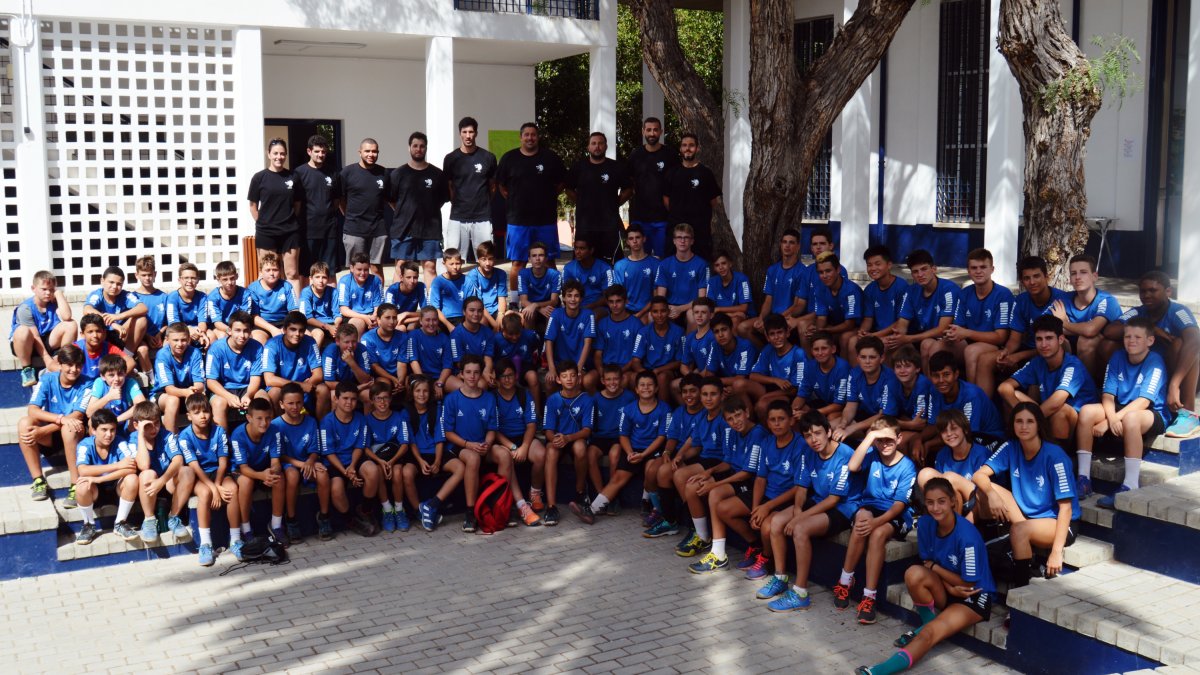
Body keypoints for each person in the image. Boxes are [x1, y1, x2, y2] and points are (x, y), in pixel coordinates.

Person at [854, 477, 996, 675]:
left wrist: (936, 569)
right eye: (930, 502)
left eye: (941, 501)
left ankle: (876, 671)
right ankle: (929, 626)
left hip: (972, 595)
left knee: (929, 633)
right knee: (912, 574)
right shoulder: (926, 524)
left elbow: (968, 582)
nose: (936, 508)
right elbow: (926, 563)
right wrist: (945, 584)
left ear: (953, 501)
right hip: (949, 586)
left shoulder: (968, 536)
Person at [974, 402, 1079, 587]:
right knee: (983, 488)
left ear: (1039, 424)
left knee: (1018, 530)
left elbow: (1066, 509)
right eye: (1019, 421)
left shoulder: (1055, 456)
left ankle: (1021, 589)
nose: (1024, 426)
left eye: (1030, 421)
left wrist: (1056, 552)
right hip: (1027, 516)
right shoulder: (1011, 447)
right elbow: (979, 475)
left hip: (1058, 522)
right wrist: (991, 494)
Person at [762, 411, 857, 612]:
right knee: (777, 521)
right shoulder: (808, 452)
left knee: (800, 529)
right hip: (818, 500)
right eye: (807, 435)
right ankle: (780, 578)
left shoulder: (845, 454)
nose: (813, 440)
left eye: (817, 433)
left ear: (829, 432)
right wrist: (797, 510)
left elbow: (834, 499)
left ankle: (800, 593)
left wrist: (800, 519)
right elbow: (802, 488)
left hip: (842, 507)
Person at [1076, 317, 1171, 505]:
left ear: (1150, 341)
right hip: (1121, 408)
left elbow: (1144, 401)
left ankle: (1130, 485)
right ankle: (1083, 478)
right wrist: (1111, 418)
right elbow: (1108, 395)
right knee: (1086, 412)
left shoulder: (1155, 361)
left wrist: (1111, 420)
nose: (1132, 340)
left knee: (1132, 419)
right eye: (1128, 336)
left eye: (1137, 337)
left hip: (1151, 412)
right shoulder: (1118, 356)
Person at [834, 417, 917, 624]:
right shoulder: (873, 455)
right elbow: (853, 466)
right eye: (880, 440)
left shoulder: (907, 466)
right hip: (871, 506)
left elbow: (899, 505)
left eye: (889, 439)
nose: (884, 444)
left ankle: (868, 597)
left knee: (878, 534)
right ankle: (845, 581)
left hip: (896, 513)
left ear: (899, 439)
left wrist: (876, 524)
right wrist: (870, 436)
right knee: (862, 518)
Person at [682, 396, 769, 573]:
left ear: (747, 412)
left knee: (714, 494)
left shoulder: (758, 433)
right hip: (735, 475)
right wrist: (709, 472)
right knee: (694, 485)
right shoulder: (731, 432)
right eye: (730, 418)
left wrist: (713, 485)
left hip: (749, 482)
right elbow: (728, 461)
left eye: (738, 415)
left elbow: (747, 473)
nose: (735, 421)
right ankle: (703, 537)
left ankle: (718, 554)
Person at [1109, 270, 1200, 434]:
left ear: (1168, 291)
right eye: (1143, 291)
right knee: (1108, 345)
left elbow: (1195, 341)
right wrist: (1153, 329)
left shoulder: (1178, 311)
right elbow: (1109, 331)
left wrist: (1174, 384)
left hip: (1178, 373)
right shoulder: (1139, 312)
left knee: (1182, 344)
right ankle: (1114, 396)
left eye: (1152, 290)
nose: (1147, 295)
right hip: (1150, 373)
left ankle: (1188, 413)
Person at [976, 255, 1072, 397]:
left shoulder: (1062, 299)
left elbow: (1058, 344)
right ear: (1022, 281)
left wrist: (1018, 356)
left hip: (1050, 354)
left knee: (1044, 358)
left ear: (1047, 276)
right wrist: (1006, 352)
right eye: (1027, 278)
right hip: (1027, 352)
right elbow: (1015, 340)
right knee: (986, 359)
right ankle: (982, 412)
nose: (1032, 282)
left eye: (1036, 276)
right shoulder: (1021, 300)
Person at [580, 370, 670, 521]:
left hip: (653, 450)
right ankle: (592, 510)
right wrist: (629, 452)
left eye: (650, 385)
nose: (646, 388)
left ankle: (647, 504)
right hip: (634, 449)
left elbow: (662, 437)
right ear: (636, 389)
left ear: (656, 388)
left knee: (650, 470)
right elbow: (623, 435)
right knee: (617, 478)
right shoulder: (629, 409)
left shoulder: (664, 408)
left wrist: (644, 454)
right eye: (642, 385)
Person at [736, 400, 808, 583]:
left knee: (768, 526)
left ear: (791, 421)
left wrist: (766, 506)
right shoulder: (767, 442)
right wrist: (755, 508)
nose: (777, 423)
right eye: (772, 420)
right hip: (769, 495)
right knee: (724, 508)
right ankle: (756, 547)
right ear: (767, 423)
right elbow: (760, 478)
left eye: (781, 419)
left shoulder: (800, 445)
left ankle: (766, 559)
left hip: (788, 497)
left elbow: (798, 487)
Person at [998, 315, 1098, 441]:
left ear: (1060, 339)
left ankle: (1057, 454)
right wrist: (1023, 416)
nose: (1044, 344)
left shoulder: (1073, 365)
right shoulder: (1037, 362)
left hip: (1077, 427)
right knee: (1013, 395)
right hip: (1044, 417)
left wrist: (1030, 421)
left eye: (1049, 338)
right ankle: (1015, 442)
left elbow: (1056, 402)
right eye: (1039, 339)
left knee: (1060, 410)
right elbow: (1004, 387)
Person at [495, 122, 566, 293]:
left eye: (533, 134)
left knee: (548, 261)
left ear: (538, 137)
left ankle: (554, 298)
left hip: (545, 221)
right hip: (518, 222)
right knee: (518, 263)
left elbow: (562, 183)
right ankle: (514, 302)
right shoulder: (509, 158)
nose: (530, 138)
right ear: (520, 137)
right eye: (526, 135)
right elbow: (501, 186)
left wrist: (547, 196)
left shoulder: (551, 158)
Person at [440, 355, 504, 533]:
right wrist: (469, 445)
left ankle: (502, 507)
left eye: (476, 373)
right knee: (473, 458)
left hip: (482, 444)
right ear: (461, 374)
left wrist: (487, 443)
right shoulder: (452, 399)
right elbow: (448, 432)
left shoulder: (489, 398)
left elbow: (492, 428)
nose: (472, 376)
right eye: (468, 372)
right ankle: (471, 512)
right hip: (460, 446)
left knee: (504, 455)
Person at [20, 345, 88, 504]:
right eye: (69, 365)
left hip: (74, 434)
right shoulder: (47, 379)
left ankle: (74, 485)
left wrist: (42, 431)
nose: (74, 369)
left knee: (70, 427)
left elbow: (77, 415)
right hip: (53, 433)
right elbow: (32, 410)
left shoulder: (88, 384)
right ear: (60, 365)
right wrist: (60, 419)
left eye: (78, 365)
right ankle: (38, 481)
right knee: (24, 423)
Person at [178, 394, 241, 564]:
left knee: (233, 489)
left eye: (206, 411)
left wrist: (219, 484)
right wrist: (213, 488)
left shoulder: (219, 431)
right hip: (199, 476)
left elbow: (222, 462)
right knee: (205, 494)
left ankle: (236, 540)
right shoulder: (185, 436)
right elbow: (194, 467)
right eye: (197, 412)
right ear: (189, 416)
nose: (203, 416)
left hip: (218, 473)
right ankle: (206, 544)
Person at [943, 248, 1013, 384]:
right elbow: (958, 328)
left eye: (983, 267)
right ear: (968, 271)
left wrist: (967, 333)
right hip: (968, 343)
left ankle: (973, 400)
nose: (978, 271)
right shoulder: (965, 293)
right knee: (933, 346)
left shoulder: (1003, 295)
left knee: (971, 350)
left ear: (992, 269)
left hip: (994, 347)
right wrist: (951, 334)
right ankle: (935, 398)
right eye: (974, 268)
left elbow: (1000, 337)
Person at [321, 381, 382, 537]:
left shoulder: (361, 419)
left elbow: (359, 447)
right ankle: (350, 520)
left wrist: (353, 466)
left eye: (353, 399)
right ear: (336, 399)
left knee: (373, 471)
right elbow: (329, 453)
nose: (349, 402)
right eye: (345, 398)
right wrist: (345, 471)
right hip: (335, 462)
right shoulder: (327, 422)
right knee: (336, 489)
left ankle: (365, 510)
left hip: (354, 459)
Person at [390, 131, 450, 288]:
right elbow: (391, 199)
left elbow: (442, 199)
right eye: (415, 146)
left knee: (429, 267)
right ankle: (395, 304)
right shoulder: (398, 173)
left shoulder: (437, 174)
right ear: (409, 148)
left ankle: (432, 305)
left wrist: (427, 210)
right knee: (401, 266)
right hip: (403, 228)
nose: (418, 149)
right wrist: (405, 211)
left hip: (429, 229)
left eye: (422, 146)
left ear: (426, 148)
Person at [1051, 253, 1123, 384]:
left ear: (1094, 276)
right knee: (1056, 340)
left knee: (1087, 340)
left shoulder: (1107, 300)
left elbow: (1091, 330)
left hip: (1109, 363)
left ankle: (1087, 389)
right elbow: (1048, 327)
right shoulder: (1064, 300)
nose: (1078, 277)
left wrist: (1063, 323)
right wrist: (1078, 329)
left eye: (1083, 272)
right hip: (1073, 353)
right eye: (1073, 273)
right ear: (1070, 278)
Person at [71, 410, 139, 545]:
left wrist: (100, 478)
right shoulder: (85, 445)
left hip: (116, 488)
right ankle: (89, 524)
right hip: (94, 491)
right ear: (94, 430)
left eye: (112, 430)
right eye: (104, 430)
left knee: (132, 478)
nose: (109, 434)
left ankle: (120, 523)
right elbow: (83, 470)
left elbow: (131, 467)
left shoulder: (120, 442)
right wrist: (118, 465)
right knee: (82, 485)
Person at [270, 383, 327, 542]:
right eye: (290, 403)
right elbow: (279, 455)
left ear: (303, 403)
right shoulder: (275, 425)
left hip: (307, 462)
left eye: (298, 402)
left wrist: (310, 460)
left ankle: (324, 517)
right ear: (281, 404)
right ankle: (291, 520)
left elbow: (315, 449)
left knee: (322, 474)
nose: (295, 407)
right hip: (289, 464)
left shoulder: (310, 422)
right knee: (292, 475)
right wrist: (303, 464)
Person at [492, 358, 545, 527]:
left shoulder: (523, 394)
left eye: (510, 375)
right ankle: (519, 506)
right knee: (506, 457)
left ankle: (535, 493)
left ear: (516, 376)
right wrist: (513, 447)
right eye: (503, 376)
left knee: (541, 454)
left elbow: (531, 425)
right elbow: (493, 430)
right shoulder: (492, 398)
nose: (507, 380)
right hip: (502, 440)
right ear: (497, 379)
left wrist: (524, 447)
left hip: (523, 437)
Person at [923, 351, 1006, 459]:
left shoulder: (971, 395)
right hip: (956, 434)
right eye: (936, 376)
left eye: (946, 374)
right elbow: (932, 424)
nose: (941, 380)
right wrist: (918, 439)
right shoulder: (934, 390)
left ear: (956, 374)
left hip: (988, 439)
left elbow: (966, 434)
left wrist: (929, 444)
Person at [410, 376, 467, 532]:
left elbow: (440, 438)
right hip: (417, 455)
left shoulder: (436, 410)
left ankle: (432, 504)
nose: (422, 394)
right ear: (412, 393)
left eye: (425, 391)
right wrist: (420, 461)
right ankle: (419, 512)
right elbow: (410, 442)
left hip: (435, 452)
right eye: (418, 391)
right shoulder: (406, 413)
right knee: (406, 472)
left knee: (460, 468)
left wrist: (437, 461)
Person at [131, 402, 193, 544]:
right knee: (147, 473)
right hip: (147, 489)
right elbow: (143, 465)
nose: (154, 429)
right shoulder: (133, 439)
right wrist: (140, 435)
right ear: (137, 425)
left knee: (187, 471)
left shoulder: (167, 436)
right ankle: (149, 520)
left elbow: (178, 460)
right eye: (148, 425)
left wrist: (162, 480)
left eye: (157, 423)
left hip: (166, 482)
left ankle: (174, 517)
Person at [565, 131, 632, 262]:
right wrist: (580, 202)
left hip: (609, 226)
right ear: (588, 147)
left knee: (612, 263)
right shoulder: (579, 167)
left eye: (600, 143)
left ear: (606, 146)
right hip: (585, 226)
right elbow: (568, 189)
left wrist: (615, 203)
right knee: (583, 262)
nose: (597, 146)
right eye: (594, 143)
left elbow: (629, 189)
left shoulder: (616, 167)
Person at [886, 250, 956, 369]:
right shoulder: (911, 291)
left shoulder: (948, 289)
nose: (920, 275)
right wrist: (898, 338)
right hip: (919, 338)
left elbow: (942, 330)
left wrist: (908, 338)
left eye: (924, 269)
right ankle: (890, 385)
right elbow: (902, 323)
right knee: (888, 344)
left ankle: (926, 386)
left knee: (926, 344)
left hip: (947, 340)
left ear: (934, 269)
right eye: (915, 272)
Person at [544, 360, 595, 527]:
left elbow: (587, 430)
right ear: (558, 380)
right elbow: (548, 430)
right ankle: (551, 507)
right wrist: (555, 439)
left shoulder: (587, 399)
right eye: (565, 376)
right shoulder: (552, 400)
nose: (569, 379)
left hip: (575, 438)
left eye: (573, 375)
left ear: (579, 378)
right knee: (550, 451)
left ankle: (580, 493)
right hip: (558, 439)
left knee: (581, 448)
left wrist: (568, 438)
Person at [229, 398, 287, 542]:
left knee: (279, 478)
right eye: (259, 418)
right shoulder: (238, 435)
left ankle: (276, 525)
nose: (264, 423)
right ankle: (246, 529)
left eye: (268, 418)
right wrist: (261, 476)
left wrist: (272, 473)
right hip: (243, 472)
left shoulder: (274, 430)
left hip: (263, 470)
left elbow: (276, 462)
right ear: (249, 418)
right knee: (246, 482)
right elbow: (243, 468)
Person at [248, 138, 303, 285]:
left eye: (282, 153)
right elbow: (253, 205)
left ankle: (294, 308)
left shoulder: (293, 177)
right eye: (276, 153)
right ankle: (265, 307)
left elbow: (297, 204)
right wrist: (262, 223)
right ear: (269, 154)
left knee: (291, 273)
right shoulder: (259, 178)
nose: (279, 157)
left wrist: (289, 220)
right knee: (268, 273)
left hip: (290, 232)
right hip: (267, 232)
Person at [442, 116, 497, 261]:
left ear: (476, 133)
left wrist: (482, 202)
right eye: (464, 132)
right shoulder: (451, 158)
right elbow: (449, 186)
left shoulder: (488, 157)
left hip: (482, 217)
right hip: (458, 217)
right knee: (454, 260)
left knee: (486, 259)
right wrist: (459, 203)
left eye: (471, 132)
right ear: (459, 133)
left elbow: (492, 187)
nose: (468, 136)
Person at [334, 138, 390, 279]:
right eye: (367, 151)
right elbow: (340, 199)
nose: (371, 154)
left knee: (376, 268)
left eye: (374, 151)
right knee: (357, 269)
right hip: (354, 229)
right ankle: (355, 300)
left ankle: (378, 300)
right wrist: (349, 216)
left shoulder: (384, 173)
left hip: (378, 229)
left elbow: (388, 198)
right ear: (360, 152)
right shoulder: (347, 173)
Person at [918, 410, 990, 518]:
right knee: (925, 473)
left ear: (965, 430)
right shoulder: (942, 454)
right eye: (944, 431)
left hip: (978, 502)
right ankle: (940, 521)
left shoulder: (981, 453)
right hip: (951, 502)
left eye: (954, 428)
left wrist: (969, 520)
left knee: (949, 478)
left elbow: (985, 491)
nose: (949, 434)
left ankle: (955, 527)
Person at [363, 381, 413, 533]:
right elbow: (365, 447)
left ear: (391, 399)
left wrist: (391, 461)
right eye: (378, 398)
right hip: (378, 458)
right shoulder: (367, 420)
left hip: (395, 457)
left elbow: (404, 444)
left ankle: (399, 509)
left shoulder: (399, 417)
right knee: (378, 472)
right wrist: (380, 461)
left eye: (385, 398)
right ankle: (387, 510)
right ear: (372, 400)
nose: (382, 402)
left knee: (397, 472)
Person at [12, 270, 77, 386]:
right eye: (44, 289)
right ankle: (27, 369)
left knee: (71, 324)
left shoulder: (53, 301)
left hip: (47, 339)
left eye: (51, 289)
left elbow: (67, 316)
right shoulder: (25, 308)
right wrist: (47, 360)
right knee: (23, 331)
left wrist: (59, 295)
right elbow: (35, 336)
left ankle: (61, 359)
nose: (48, 293)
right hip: (27, 343)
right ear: (33, 288)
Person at [832, 336, 902, 443]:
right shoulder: (854, 373)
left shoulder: (890, 378)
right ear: (857, 358)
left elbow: (883, 415)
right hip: (864, 416)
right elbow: (851, 405)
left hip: (885, 420)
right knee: (829, 427)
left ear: (882, 358)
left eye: (872, 357)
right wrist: (844, 423)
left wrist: (851, 428)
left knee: (871, 435)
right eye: (863, 357)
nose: (867, 361)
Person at [663, 133, 722, 260]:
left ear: (697, 148)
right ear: (680, 148)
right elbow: (666, 199)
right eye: (684, 145)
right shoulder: (672, 173)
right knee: (673, 266)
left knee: (700, 266)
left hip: (700, 232)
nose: (687, 148)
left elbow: (713, 201)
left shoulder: (706, 173)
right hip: (676, 228)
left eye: (691, 145)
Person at [742, 230, 806, 347]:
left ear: (798, 247)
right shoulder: (772, 270)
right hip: (772, 316)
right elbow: (768, 300)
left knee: (775, 330)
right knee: (742, 328)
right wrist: (761, 318)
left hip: (788, 318)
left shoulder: (802, 272)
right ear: (780, 245)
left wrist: (778, 319)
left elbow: (798, 305)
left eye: (791, 243)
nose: (787, 245)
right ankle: (764, 353)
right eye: (784, 242)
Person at [588, 365, 637, 514]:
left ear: (622, 379)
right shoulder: (596, 398)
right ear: (602, 381)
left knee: (614, 455)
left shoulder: (629, 397)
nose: (612, 383)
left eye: (616, 379)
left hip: (618, 437)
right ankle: (601, 495)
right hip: (600, 437)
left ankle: (612, 497)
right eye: (608, 379)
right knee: (590, 454)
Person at [205, 311, 265, 430]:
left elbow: (256, 377)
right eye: (237, 330)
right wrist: (228, 396)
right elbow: (211, 381)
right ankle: (223, 444)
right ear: (229, 331)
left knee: (263, 399)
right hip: (224, 388)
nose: (242, 335)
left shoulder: (257, 347)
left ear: (251, 332)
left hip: (248, 387)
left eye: (246, 331)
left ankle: (264, 443)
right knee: (219, 404)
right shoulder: (216, 348)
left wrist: (249, 394)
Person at [627, 117, 678, 256]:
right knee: (642, 259)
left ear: (661, 132)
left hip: (663, 219)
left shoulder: (670, 155)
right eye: (648, 130)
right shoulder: (635, 155)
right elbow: (629, 182)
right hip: (640, 217)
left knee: (664, 258)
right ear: (643, 131)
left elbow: (676, 184)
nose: (652, 133)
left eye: (655, 130)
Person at [262, 311, 328, 416]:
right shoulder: (272, 345)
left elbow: (318, 374)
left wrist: (307, 384)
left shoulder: (310, 342)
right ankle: (279, 429)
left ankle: (319, 427)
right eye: (293, 329)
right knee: (274, 393)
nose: (297, 334)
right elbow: (269, 379)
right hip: (284, 387)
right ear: (284, 330)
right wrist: (300, 386)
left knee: (323, 390)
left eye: (301, 330)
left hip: (306, 386)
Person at [848, 245, 908, 361]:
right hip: (876, 334)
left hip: (895, 334)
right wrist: (863, 332)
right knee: (853, 341)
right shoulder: (870, 289)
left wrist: (875, 335)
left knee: (882, 346)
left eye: (877, 264)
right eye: (869, 265)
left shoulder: (902, 286)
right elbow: (868, 319)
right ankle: (856, 378)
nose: (873, 268)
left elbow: (900, 322)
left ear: (889, 265)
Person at [294, 134, 341, 276]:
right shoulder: (299, 173)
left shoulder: (333, 172)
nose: (321, 155)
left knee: (330, 271)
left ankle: (330, 298)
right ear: (309, 151)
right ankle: (307, 298)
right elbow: (296, 203)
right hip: (308, 231)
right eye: (317, 151)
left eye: (323, 152)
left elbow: (337, 200)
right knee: (308, 271)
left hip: (329, 230)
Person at [747, 314, 808, 421]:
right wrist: (775, 380)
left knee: (762, 405)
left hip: (791, 395)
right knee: (740, 384)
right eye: (772, 334)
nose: (776, 337)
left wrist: (766, 397)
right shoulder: (768, 349)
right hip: (774, 388)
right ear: (767, 337)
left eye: (780, 332)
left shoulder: (798, 353)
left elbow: (795, 389)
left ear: (787, 332)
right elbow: (753, 375)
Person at [83, 265, 149, 364]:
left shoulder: (125, 295)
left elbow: (143, 308)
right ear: (102, 281)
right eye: (111, 282)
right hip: (103, 333)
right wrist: (112, 323)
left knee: (141, 319)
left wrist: (118, 316)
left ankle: (127, 357)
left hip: (121, 334)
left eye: (119, 284)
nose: (114, 287)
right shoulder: (97, 295)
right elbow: (87, 309)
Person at [802, 252, 863, 351]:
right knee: (809, 332)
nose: (824, 275)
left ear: (838, 269)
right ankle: (811, 364)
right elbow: (821, 318)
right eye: (821, 272)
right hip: (834, 325)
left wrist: (825, 330)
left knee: (845, 337)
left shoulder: (851, 290)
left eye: (828, 271)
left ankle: (843, 366)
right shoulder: (820, 288)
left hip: (855, 327)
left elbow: (850, 324)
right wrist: (816, 329)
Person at [544, 280, 596, 393]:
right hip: (561, 364)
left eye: (576, 296)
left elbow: (588, 343)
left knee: (583, 381)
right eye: (569, 295)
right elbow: (549, 342)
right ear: (563, 298)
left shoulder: (588, 314)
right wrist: (552, 368)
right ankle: (549, 410)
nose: (573, 299)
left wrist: (578, 369)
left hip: (581, 364)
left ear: (581, 299)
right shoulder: (556, 314)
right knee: (549, 381)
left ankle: (591, 409)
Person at [153, 322, 206, 433]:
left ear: (188, 339)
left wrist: (193, 391)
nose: (180, 344)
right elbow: (169, 389)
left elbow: (200, 384)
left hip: (188, 391)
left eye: (183, 340)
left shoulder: (195, 353)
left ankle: (200, 437)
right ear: (167, 340)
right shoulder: (162, 355)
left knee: (197, 399)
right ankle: (172, 441)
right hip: (163, 395)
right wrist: (188, 392)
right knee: (173, 400)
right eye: (175, 340)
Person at [654, 223, 709, 329]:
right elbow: (660, 297)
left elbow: (702, 298)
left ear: (692, 241)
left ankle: (688, 345)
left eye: (686, 237)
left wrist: (680, 308)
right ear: (674, 241)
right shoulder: (664, 264)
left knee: (693, 317)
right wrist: (668, 308)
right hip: (670, 307)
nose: (682, 241)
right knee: (653, 316)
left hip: (691, 307)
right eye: (679, 237)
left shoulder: (702, 264)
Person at [590, 284, 641, 392]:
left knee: (626, 379)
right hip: (606, 368)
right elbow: (598, 354)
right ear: (607, 302)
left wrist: (620, 372)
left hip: (625, 369)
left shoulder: (636, 324)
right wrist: (602, 372)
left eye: (618, 301)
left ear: (626, 301)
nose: (614, 305)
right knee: (588, 380)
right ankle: (596, 406)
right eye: (611, 302)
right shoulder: (603, 324)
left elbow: (636, 357)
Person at [631, 296, 685, 397]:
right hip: (648, 370)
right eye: (655, 311)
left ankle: (662, 411)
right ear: (651, 313)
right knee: (633, 377)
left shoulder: (679, 331)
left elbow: (680, 361)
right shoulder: (643, 332)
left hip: (668, 371)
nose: (659, 315)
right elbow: (635, 361)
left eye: (663, 311)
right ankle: (639, 410)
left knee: (662, 377)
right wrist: (645, 373)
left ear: (668, 311)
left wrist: (658, 370)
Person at [794, 331, 849, 420]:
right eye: (816, 349)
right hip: (824, 403)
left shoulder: (843, 367)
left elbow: (839, 405)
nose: (820, 353)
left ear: (833, 349)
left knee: (831, 417)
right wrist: (793, 411)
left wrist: (809, 414)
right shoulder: (810, 366)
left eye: (824, 348)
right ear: (812, 351)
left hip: (843, 407)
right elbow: (801, 394)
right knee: (798, 411)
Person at [247, 252, 298, 343]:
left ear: (280, 271)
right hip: (263, 325)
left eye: (275, 270)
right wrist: (272, 329)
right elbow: (254, 316)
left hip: (284, 323)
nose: (272, 273)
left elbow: (294, 312)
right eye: (268, 270)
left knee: (306, 336)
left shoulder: (286, 286)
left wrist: (286, 327)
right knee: (258, 340)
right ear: (260, 271)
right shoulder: (253, 288)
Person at [611, 224, 659, 321]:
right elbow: (618, 294)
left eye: (638, 237)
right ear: (627, 241)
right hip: (626, 311)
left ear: (644, 239)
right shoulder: (620, 266)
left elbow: (657, 296)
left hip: (648, 310)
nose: (635, 241)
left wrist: (640, 314)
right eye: (631, 238)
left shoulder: (655, 264)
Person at [447, 297, 496, 391]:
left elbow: (488, 357)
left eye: (480, 311)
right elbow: (459, 363)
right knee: (481, 385)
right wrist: (480, 373)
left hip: (480, 369)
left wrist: (487, 372)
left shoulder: (488, 332)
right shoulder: (456, 334)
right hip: (463, 371)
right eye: (472, 310)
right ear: (464, 312)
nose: (476, 314)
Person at [361, 304, 408, 400]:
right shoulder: (368, 338)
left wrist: (401, 381)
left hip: (398, 374)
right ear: (378, 320)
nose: (392, 321)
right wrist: (392, 379)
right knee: (383, 385)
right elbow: (374, 366)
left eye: (394, 318)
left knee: (410, 383)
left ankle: (408, 412)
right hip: (380, 375)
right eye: (387, 318)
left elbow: (402, 363)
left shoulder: (403, 337)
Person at [493, 313, 543, 403]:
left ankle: (537, 412)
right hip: (504, 366)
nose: (514, 337)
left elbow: (539, 347)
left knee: (533, 377)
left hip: (525, 365)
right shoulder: (496, 340)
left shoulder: (530, 335)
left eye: (517, 333)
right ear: (503, 330)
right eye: (510, 334)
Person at [83, 354, 147, 424]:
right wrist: (109, 397)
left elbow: (142, 405)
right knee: (91, 422)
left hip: (124, 422)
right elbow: (89, 413)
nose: (116, 379)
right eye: (111, 375)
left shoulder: (130, 383)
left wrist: (115, 420)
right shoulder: (100, 382)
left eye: (120, 374)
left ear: (125, 373)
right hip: (105, 423)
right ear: (103, 376)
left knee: (137, 419)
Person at [704, 313, 759, 393]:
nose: (721, 335)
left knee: (738, 385)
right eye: (716, 331)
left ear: (731, 329)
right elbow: (708, 375)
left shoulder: (745, 346)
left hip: (750, 387)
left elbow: (741, 378)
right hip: (728, 386)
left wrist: (716, 381)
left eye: (724, 329)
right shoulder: (715, 345)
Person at [405, 307, 453, 397]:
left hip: (439, 376)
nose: (431, 323)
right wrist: (424, 382)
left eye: (434, 320)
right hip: (420, 375)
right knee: (418, 388)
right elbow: (413, 360)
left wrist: (440, 383)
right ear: (421, 321)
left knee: (461, 387)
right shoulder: (413, 335)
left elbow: (448, 365)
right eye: (427, 320)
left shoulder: (444, 338)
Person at [320, 322, 374, 404]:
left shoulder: (362, 349)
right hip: (340, 387)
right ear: (337, 341)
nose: (351, 345)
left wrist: (352, 363)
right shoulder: (330, 351)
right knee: (334, 395)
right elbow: (329, 382)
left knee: (367, 394)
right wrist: (356, 388)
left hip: (357, 385)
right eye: (346, 342)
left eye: (354, 341)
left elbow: (365, 380)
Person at [130, 256, 168, 368]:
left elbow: (168, 320)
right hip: (142, 338)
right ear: (137, 275)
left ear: (155, 274)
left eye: (150, 275)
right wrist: (146, 336)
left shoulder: (163, 297)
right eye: (143, 275)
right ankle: (150, 382)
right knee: (143, 350)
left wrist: (160, 334)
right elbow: (131, 322)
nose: (147, 278)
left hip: (160, 337)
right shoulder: (133, 297)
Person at [77, 313, 135, 385]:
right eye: (90, 332)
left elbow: (131, 362)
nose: (95, 335)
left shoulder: (108, 347)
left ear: (104, 333)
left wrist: (115, 378)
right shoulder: (76, 348)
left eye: (98, 331)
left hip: (103, 385)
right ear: (82, 334)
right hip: (81, 386)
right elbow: (60, 363)